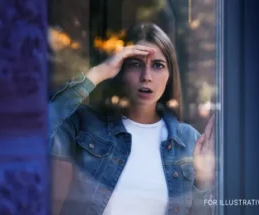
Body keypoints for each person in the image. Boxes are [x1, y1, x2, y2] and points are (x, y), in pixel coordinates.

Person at [49, 23, 215, 215]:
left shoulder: (189, 140)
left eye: (158, 65)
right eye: (135, 64)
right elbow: (36, 134)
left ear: (170, 75)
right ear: (121, 70)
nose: (146, 76)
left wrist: (203, 181)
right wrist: (98, 73)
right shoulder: (86, 124)